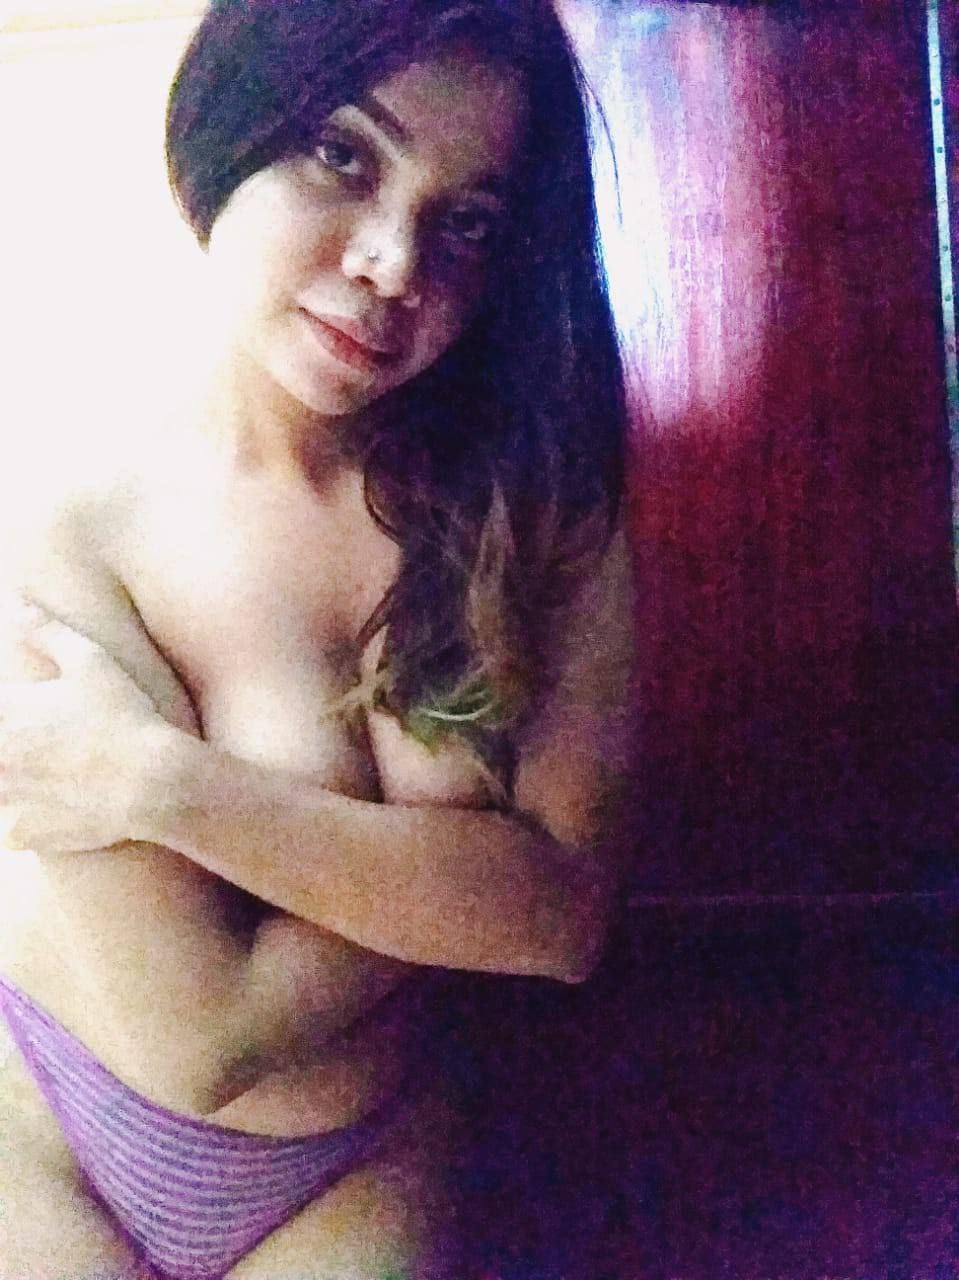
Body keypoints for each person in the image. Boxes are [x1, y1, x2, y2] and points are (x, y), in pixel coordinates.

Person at [0, 0, 637, 1275]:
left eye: (467, 221)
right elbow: (202, 1033)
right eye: (344, 155)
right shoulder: (59, 514)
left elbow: (566, 923)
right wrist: (466, 874)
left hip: (367, 1148)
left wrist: (159, 781)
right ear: (233, 128)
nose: (394, 262)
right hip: (47, 1121)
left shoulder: (533, 504)